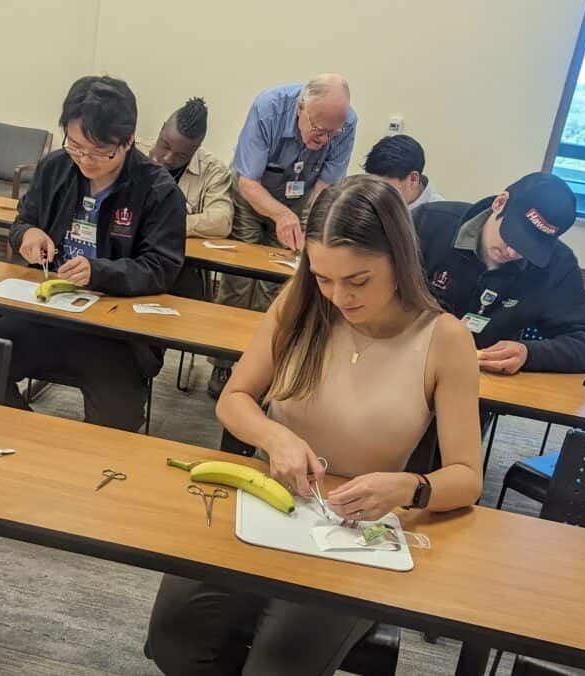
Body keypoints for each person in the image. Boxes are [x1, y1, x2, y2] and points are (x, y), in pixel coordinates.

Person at [147, 175, 482, 675]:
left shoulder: (444, 339)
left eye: (358, 280)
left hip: (352, 530)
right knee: (173, 632)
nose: (339, 297)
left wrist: (408, 487)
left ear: (400, 259)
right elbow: (234, 399)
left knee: (280, 661)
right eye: (324, 277)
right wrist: (273, 435)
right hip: (267, 502)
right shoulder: (300, 303)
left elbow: (466, 476)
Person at [0, 75, 187, 432]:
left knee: (116, 422)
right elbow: (23, 221)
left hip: (115, 332)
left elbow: (161, 266)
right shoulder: (56, 167)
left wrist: (100, 272)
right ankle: (36, 442)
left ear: (128, 140)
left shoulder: (158, 190)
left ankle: (75, 461)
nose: (85, 160)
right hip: (46, 314)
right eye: (76, 146)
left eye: (99, 152)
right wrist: (27, 235)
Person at [209, 73, 358, 397]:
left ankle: (261, 369)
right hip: (253, 196)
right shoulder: (269, 107)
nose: (324, 140)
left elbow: (325, 186)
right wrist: (280, 214)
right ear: (301, 108)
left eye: (332, 133)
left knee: (278, 283)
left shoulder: (345, 124)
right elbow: (248, 182)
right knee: (239, 280)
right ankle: (222, 364)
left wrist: (309, 225)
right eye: (318, 130)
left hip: (298, 199)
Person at [413, 172, 585, 374]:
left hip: (482, 380)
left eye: (529, 248)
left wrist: (528, 353)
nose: (512, 252)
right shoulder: (427, 224)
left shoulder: (558, 264)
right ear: (500, 202)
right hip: (409, 363)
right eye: (512, 236)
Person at [137, 96, 233, 299]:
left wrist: (166, 224)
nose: (168, 158)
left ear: (196, 148)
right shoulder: (133, 154)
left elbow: (221, 221)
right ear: (162, 129)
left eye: (181, 155)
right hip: (133, 260)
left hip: (182, 270)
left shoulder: (213, 170)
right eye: (165, 145)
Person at [363, 134, 444, 209]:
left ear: (413, 179)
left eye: (386, 189)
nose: (378, 195)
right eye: (374, 187)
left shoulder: (440, 216)